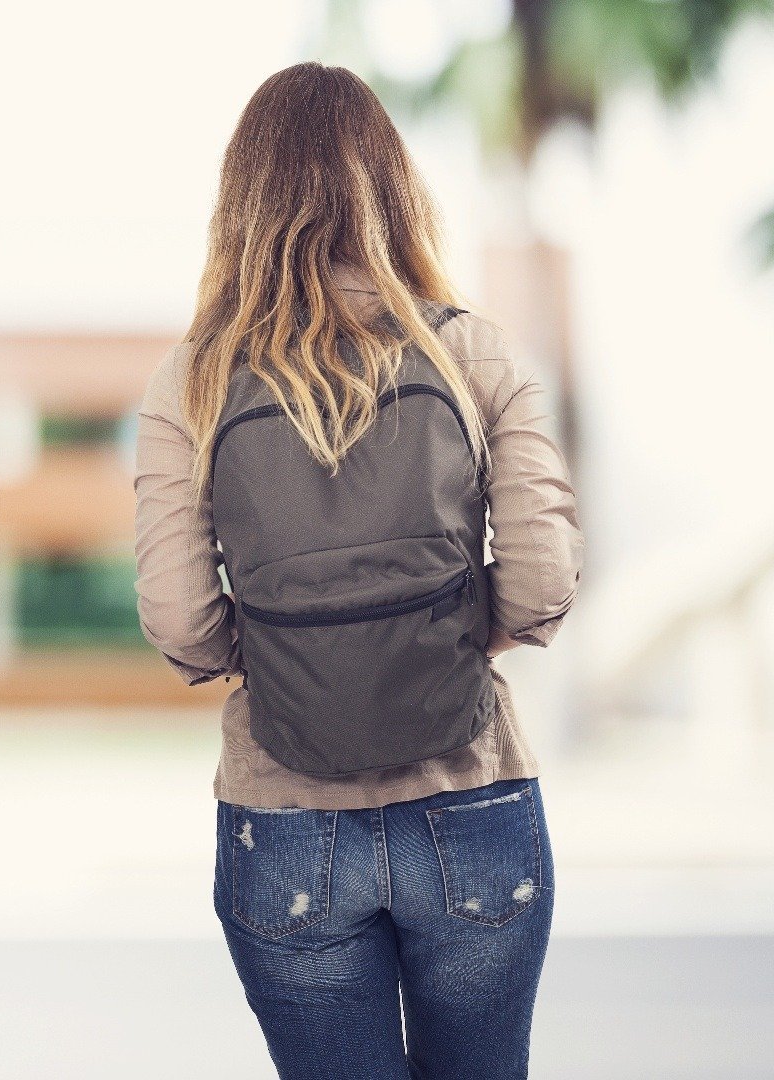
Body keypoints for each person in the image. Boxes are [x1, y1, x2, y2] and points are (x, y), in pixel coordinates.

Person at [132, 63, 584, 1080]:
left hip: (285, 823)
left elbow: (179, 620)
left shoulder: (194, 378)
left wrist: (287, 640)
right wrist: (460, 625)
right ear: (394, 187)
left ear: (240, 202)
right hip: (474, 799)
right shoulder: (475, 354)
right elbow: (546, 579)